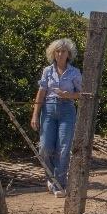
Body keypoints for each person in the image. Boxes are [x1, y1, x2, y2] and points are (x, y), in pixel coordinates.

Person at [31, 37, 82, 196]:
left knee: (63, 148)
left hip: (67, 110)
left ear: (69, 54)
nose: (60, 54)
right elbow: (41, 93)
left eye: (63, 51)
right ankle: (51, 177)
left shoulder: (74, 72)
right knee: (45, 147)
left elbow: (82, 94)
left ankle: (59, 185)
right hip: (49, 109)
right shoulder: (47, 71)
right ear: (53, 54)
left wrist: (70, 95)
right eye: (57, 51)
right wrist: (35, 114)